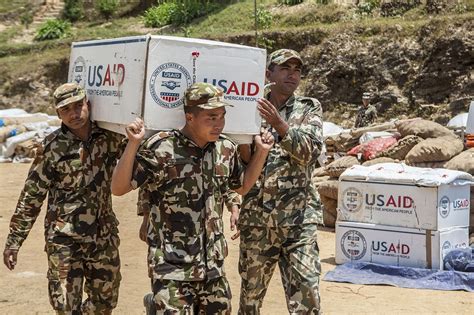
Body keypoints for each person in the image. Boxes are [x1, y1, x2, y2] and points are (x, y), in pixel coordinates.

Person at [111, 82, 274, 314]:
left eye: (222, 117)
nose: (219, 124)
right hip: (172, 266)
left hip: (212, 266)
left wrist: (262, 152)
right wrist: (133, 143)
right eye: (211, 117)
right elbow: (118, 188)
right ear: (190, 117)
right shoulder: (162, 147)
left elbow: (243, 186)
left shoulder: (225, 148)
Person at [2, 82, 123, 314]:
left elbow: (139, 163)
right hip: (64, 239)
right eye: (66, 109)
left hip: (103, 235)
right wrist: (14, 241)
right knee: (66, 306)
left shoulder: (111, 139)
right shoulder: (51, 148)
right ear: (58, 113)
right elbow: (31, 196)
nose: (74, 113)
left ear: (87, 104)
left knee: (105, 302)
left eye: (78, 106)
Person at [237, 49, 324, 315]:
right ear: (268, 74)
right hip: (257, 221)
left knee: (307, 291)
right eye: (285, 68)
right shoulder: (248, 106)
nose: (292, 74)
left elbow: (310, 151)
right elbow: (236, 160)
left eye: (297, 70)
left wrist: (279, 123)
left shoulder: (308, 108)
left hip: (298, 220)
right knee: (250, 296)